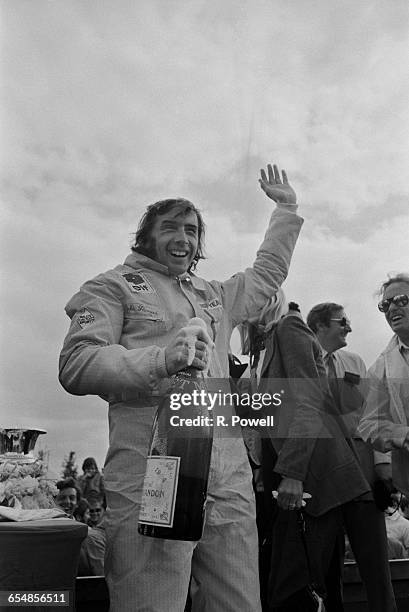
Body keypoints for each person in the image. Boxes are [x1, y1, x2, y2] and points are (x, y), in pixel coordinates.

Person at [58, 163, 304, 612]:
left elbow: (266, 273)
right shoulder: (111, 286)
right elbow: (77, 363)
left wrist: (286, 211)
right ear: (145, 236)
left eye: (192, 231)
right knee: (151, 601)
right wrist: (161, 359)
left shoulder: (214, 294)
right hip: (154, 467)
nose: (184, 238)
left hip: (227, 472)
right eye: (170, 227)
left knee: (240, 602)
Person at [254, 300, 374, 611]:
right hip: (289, 477)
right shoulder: (263, 343)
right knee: (304, 581)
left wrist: (293, 472)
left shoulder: (289, 327)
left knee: (301, 586)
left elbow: (309, 402)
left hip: (309, 480)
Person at [307, 301, 396, 612]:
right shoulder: (299, 365)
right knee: (321, 570)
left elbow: (374, 415)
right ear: (318, 326)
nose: (349, 327)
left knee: (376, 565)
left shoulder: (355, 362)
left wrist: (383, 469)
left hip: (361, 475)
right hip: (320, 479)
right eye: (341, 321)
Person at [359, 273, 409, 497]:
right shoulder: (380, 368)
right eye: (385, 304)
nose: (391, 309)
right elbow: (369, 424)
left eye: (401, 300)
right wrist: (402, 435)